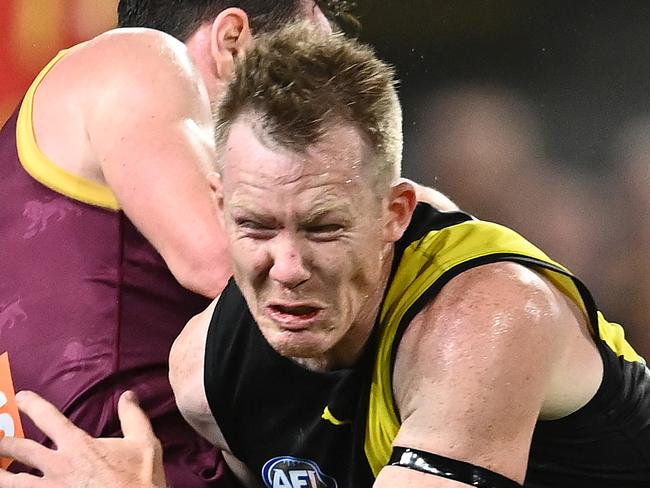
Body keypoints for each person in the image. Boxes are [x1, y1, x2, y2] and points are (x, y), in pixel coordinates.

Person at [4, 21, 649, 488]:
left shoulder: (485, 322)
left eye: (322, 228)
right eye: (255, 226)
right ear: (217, 201)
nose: (286, 269)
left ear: (395, 212)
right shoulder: (206, 371)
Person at [0, 2, 349, 486]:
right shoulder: (136, 58)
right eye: (319, 73)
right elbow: (227, 265)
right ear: (232, 41)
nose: (335, 116)